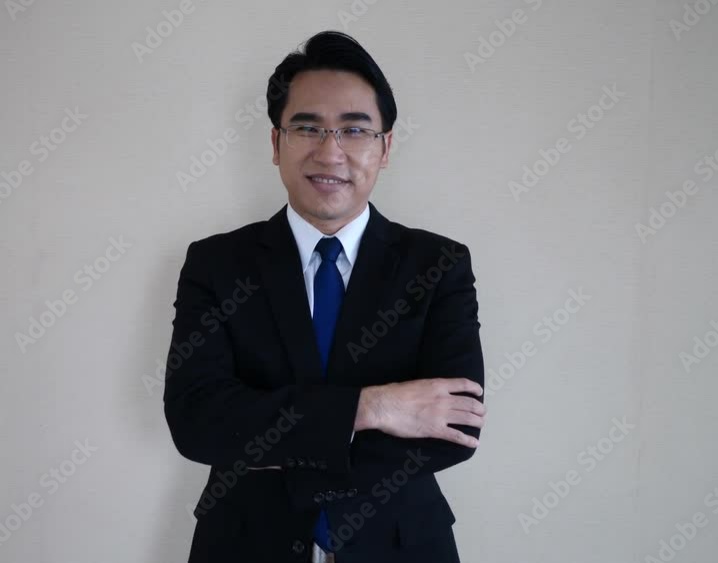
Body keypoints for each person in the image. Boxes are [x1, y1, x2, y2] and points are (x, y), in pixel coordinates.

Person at [164, 30, 487, 563]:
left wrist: (272, 442)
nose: (330, 151)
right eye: (308, 127)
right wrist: (374, 407)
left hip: (401, 546)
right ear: (276, 144)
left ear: (385, 148)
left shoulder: (438, 265)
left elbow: (454, 426)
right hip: (245, 544)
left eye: (354, 130)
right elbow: (198, 422)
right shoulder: (216, 264)